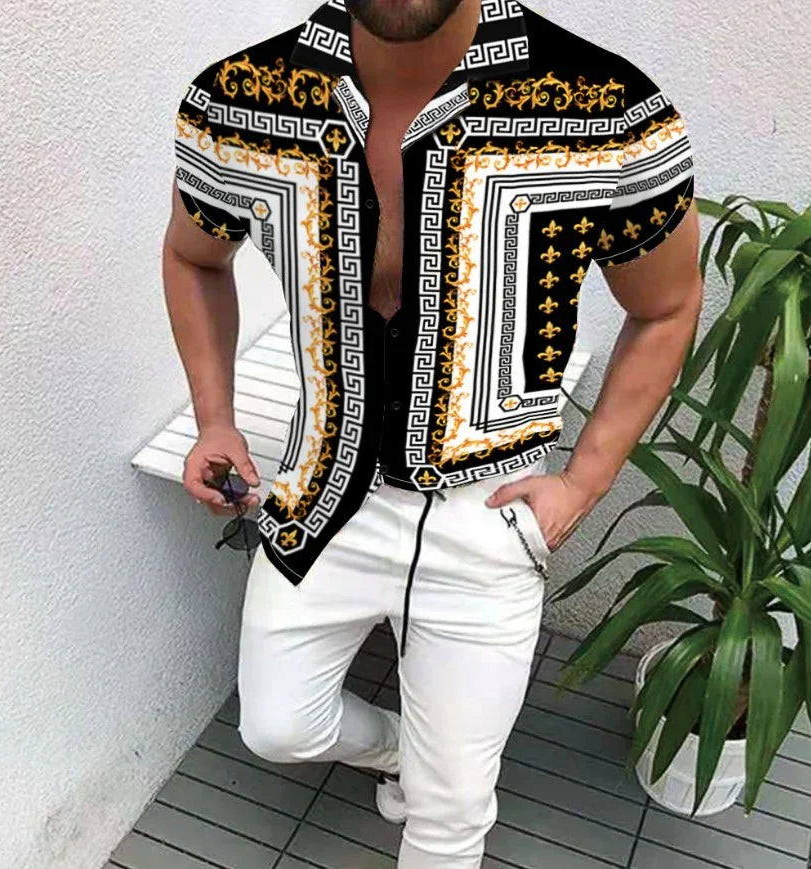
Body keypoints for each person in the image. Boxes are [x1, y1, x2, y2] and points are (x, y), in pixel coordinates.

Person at [163, 0, 702, 864]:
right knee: (276, 724)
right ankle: (403, 751)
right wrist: (215, 419)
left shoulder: (605, 108)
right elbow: (194, 256)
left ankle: (438, 779)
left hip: (484, 511)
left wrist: (584, 480)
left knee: (451, 818)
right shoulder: (241, 99)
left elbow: (667, 304)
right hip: (318, 492)